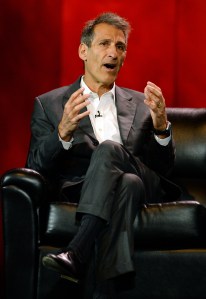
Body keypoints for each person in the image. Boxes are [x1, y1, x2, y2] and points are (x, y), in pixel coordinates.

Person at [26, 12, 181, 298]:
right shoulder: (49, 105)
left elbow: (163, 169)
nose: (114, 52)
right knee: (128, 184)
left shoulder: (141, 103)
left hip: (145, 183)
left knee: (113, 152)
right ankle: (107, 290)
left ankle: (77, 250)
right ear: (83, 51)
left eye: (120, 47)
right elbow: (35, 166)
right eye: (105, 44)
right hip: (87, 189)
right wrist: (62, 134)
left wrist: (161, 127)